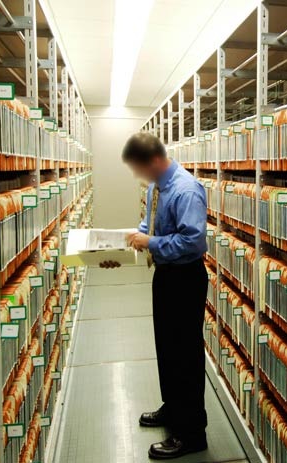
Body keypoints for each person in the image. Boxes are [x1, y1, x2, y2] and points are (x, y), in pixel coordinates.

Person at [121, 132, 209, 459]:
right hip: (166, 275)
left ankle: (192, 433)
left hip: (185, 278)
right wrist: (135, 237)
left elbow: (193, 242)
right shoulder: (157, 186)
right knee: (167, 349)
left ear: (155, 160)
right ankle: (173, 408)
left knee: (186, 355)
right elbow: (151, 224)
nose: (138, 176)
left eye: (139, 169)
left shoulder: (186, 190)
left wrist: (152, 243)